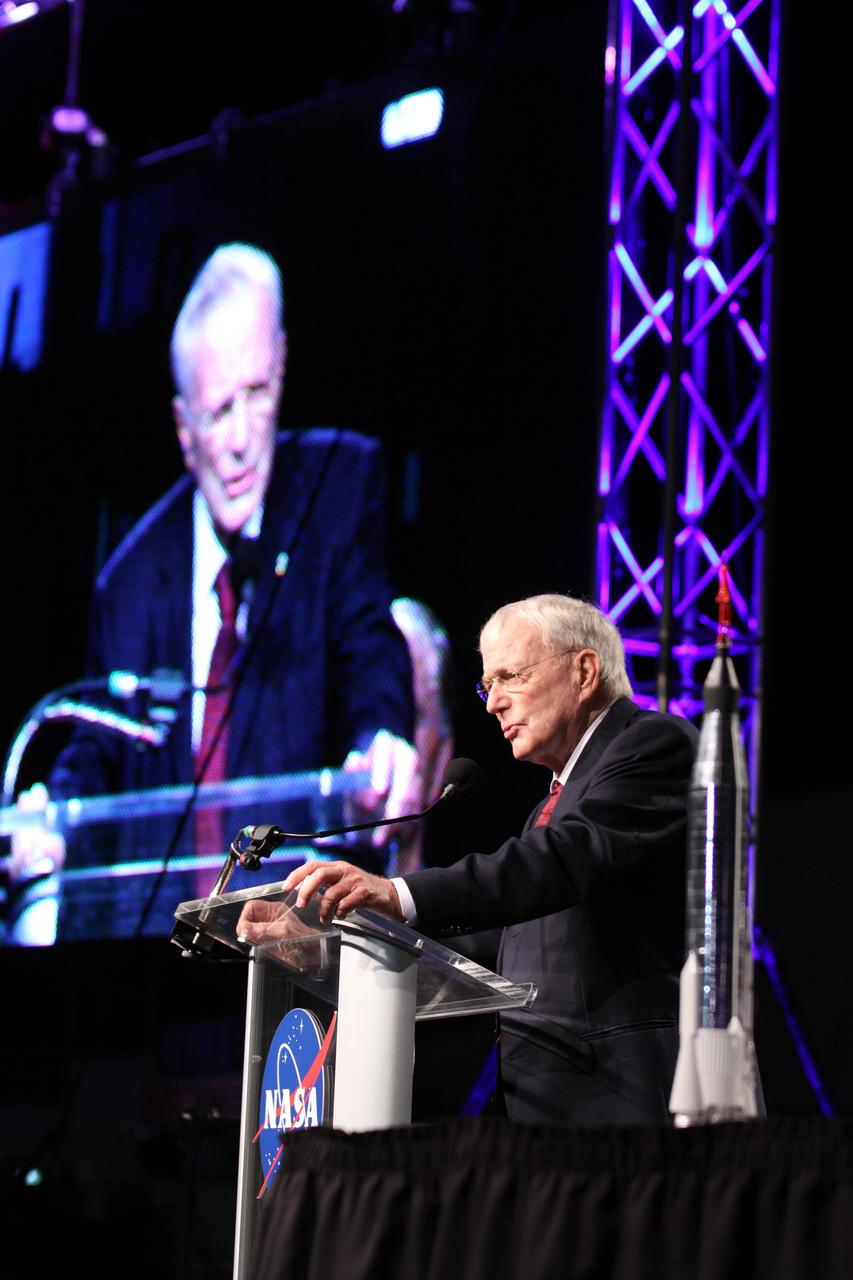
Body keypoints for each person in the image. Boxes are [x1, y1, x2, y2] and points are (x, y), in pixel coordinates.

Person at [6, 241, 416, 943]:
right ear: (182, 426)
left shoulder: (337, 491)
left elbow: (368, 654)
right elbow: (98, 748)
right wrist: (55, 817)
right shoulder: (130, 582)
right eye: (215, 411)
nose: (238, 440)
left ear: (282, 365)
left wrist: (379, 741)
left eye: (256, 396)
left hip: (295, 941)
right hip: (154, 956)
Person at [239, 593, 699, 1126]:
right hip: (547, 1112)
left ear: (585, 671)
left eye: (511, 676)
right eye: (488, 684)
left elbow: (561, 860)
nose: (492, 703)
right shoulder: (549, 808)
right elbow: (495, 943)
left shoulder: (654, 744)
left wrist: (398, 893)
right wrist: (329, 950)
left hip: (623, 1103)